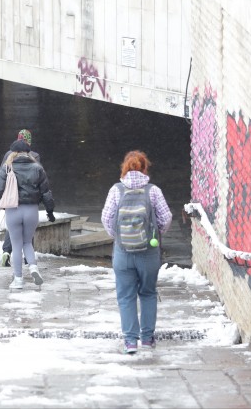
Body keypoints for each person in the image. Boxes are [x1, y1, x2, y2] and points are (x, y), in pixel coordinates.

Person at [101, 150, 173, 354]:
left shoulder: (116, 190)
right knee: (148, 293)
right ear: (144, 167)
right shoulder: (153, 191)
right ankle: (147, 339)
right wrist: (154, 234)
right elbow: (166, 217)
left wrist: (119, 236)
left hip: (123, 253)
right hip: (149, 252)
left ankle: (130, 342)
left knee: (125, 296)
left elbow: (106, 218)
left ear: (124, 167)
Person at [0, 139, 55, 289]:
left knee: (16, 244)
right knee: (27, 242)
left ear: (13, 153)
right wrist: (50, 210)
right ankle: (33, 267)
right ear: (28, 152)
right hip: (31, 210)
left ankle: (18, 279)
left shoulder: (7, 168)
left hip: (13, 210)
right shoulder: (37, 168)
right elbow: (46, 192)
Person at [0, 129, 41, 267]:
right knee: (28, 234)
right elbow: (40, 178)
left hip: (12, 198)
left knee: (13, 229)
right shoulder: (34, 156)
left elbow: (2, 176)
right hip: (29, 199)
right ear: (29, 141)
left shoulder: (8, 155)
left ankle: (6, 252)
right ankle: (28, 259)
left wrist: (0, 198)